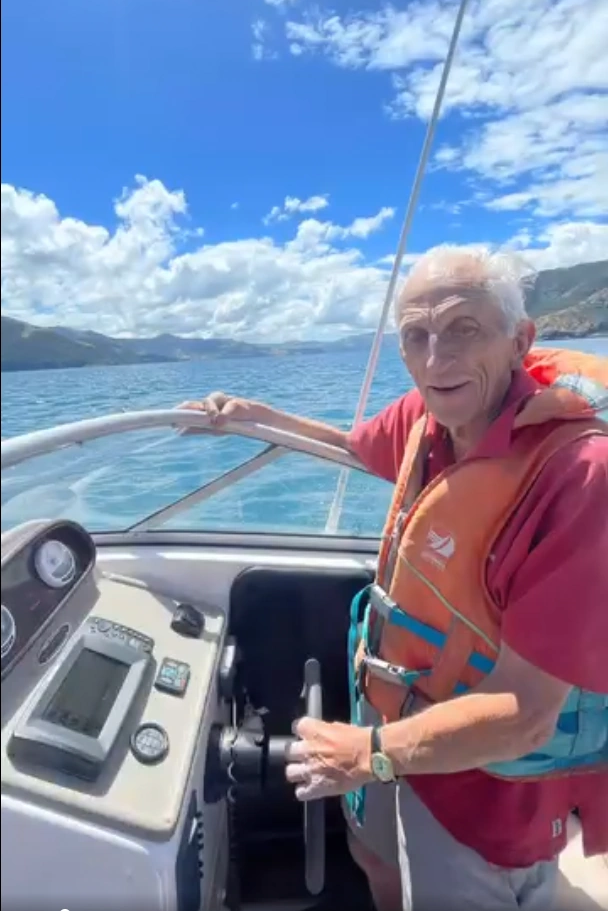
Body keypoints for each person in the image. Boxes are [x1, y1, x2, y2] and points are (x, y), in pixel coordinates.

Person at [179, 246, 608, 910]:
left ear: (521, 339)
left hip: (482, 795)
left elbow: (525, 715)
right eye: (418, 336)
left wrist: (369, 753)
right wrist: (254, 416)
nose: (437, 358)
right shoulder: (427, 416)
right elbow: (354, 445)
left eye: (465, 328)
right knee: (372, 854)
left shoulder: (576, 478)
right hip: (392, 724)